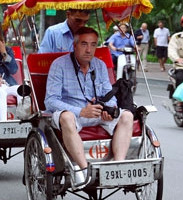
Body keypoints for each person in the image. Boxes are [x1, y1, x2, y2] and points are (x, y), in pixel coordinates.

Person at [45, 27, 134, 186]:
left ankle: (118, 168)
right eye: (84, 44)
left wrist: (109, 110)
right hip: (72, 117)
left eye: (93, 45)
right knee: (66, 116)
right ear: (75, 45)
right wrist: (81, 111)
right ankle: (85, 171)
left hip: (96, 114)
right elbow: (50, 100)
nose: (89, 49)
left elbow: (109, 94)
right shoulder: (59, 65)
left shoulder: (99, 65)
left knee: (127, 116)